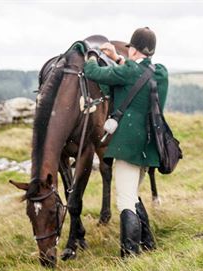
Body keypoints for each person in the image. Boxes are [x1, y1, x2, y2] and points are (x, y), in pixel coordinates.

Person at [83, 27, 169, 257]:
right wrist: (118, 58)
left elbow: (93, 73)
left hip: (127, 145)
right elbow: (137, 72)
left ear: (133, 49)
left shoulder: (128, 72)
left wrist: (92, 56)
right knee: (132, 192)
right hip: (149, 148)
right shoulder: (161, 73)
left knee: (125, 201)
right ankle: (148, 243)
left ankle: (129, 255)